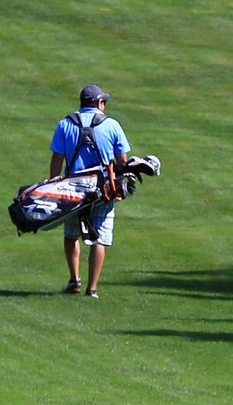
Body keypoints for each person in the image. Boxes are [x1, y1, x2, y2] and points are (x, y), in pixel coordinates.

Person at [49, 84, 131, 299]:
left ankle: (74, 280)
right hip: (102, 190)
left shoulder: (64, 124)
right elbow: (122, 162)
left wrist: (52, 185)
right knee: (100, 237)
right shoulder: (112, 125)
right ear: (98, 103)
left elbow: (57, 159)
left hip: (72, 190)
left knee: (71, 234)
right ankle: (92, 288)